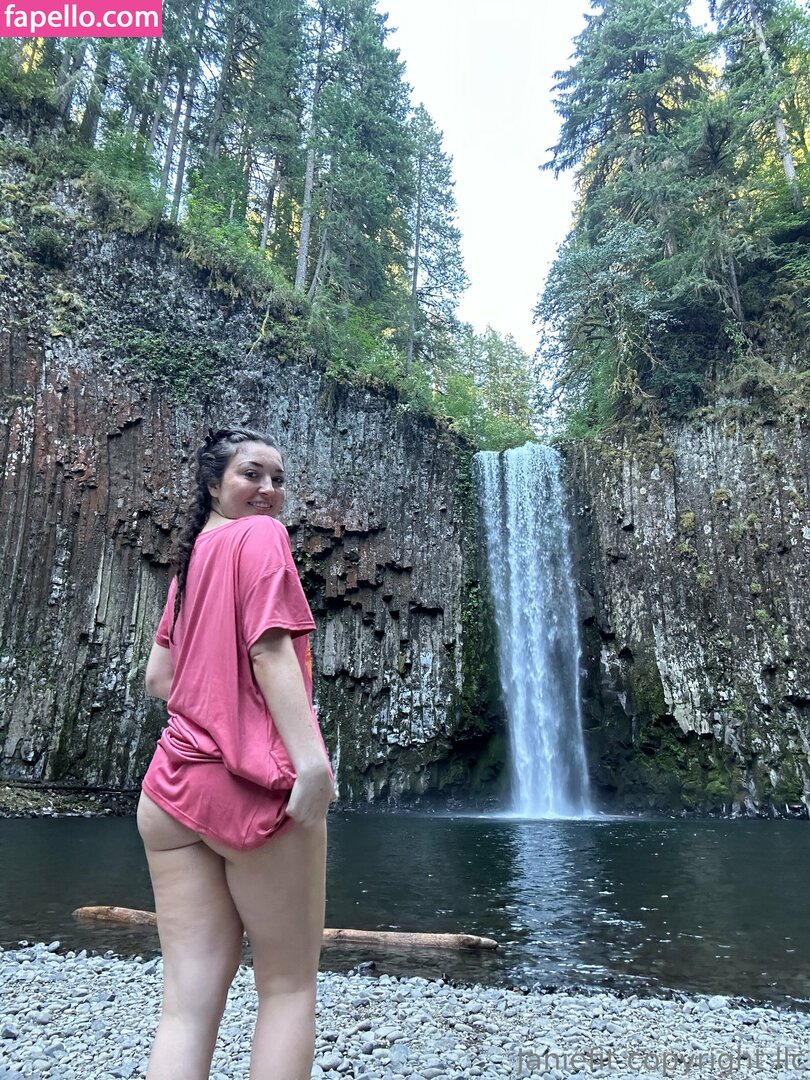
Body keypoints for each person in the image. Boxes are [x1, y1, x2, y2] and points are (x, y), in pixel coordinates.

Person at [136, 425, 334, 1080]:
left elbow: (158, 679)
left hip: (170, 792)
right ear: (213, 481)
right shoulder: (261, 537)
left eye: (278, 479)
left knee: (185, 1007)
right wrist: (311, 762)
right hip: (253, 791)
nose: (269, 489)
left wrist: (213, 702)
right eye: (253, 474)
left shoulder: (192, 562)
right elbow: (269, 650)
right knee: (287, 986)